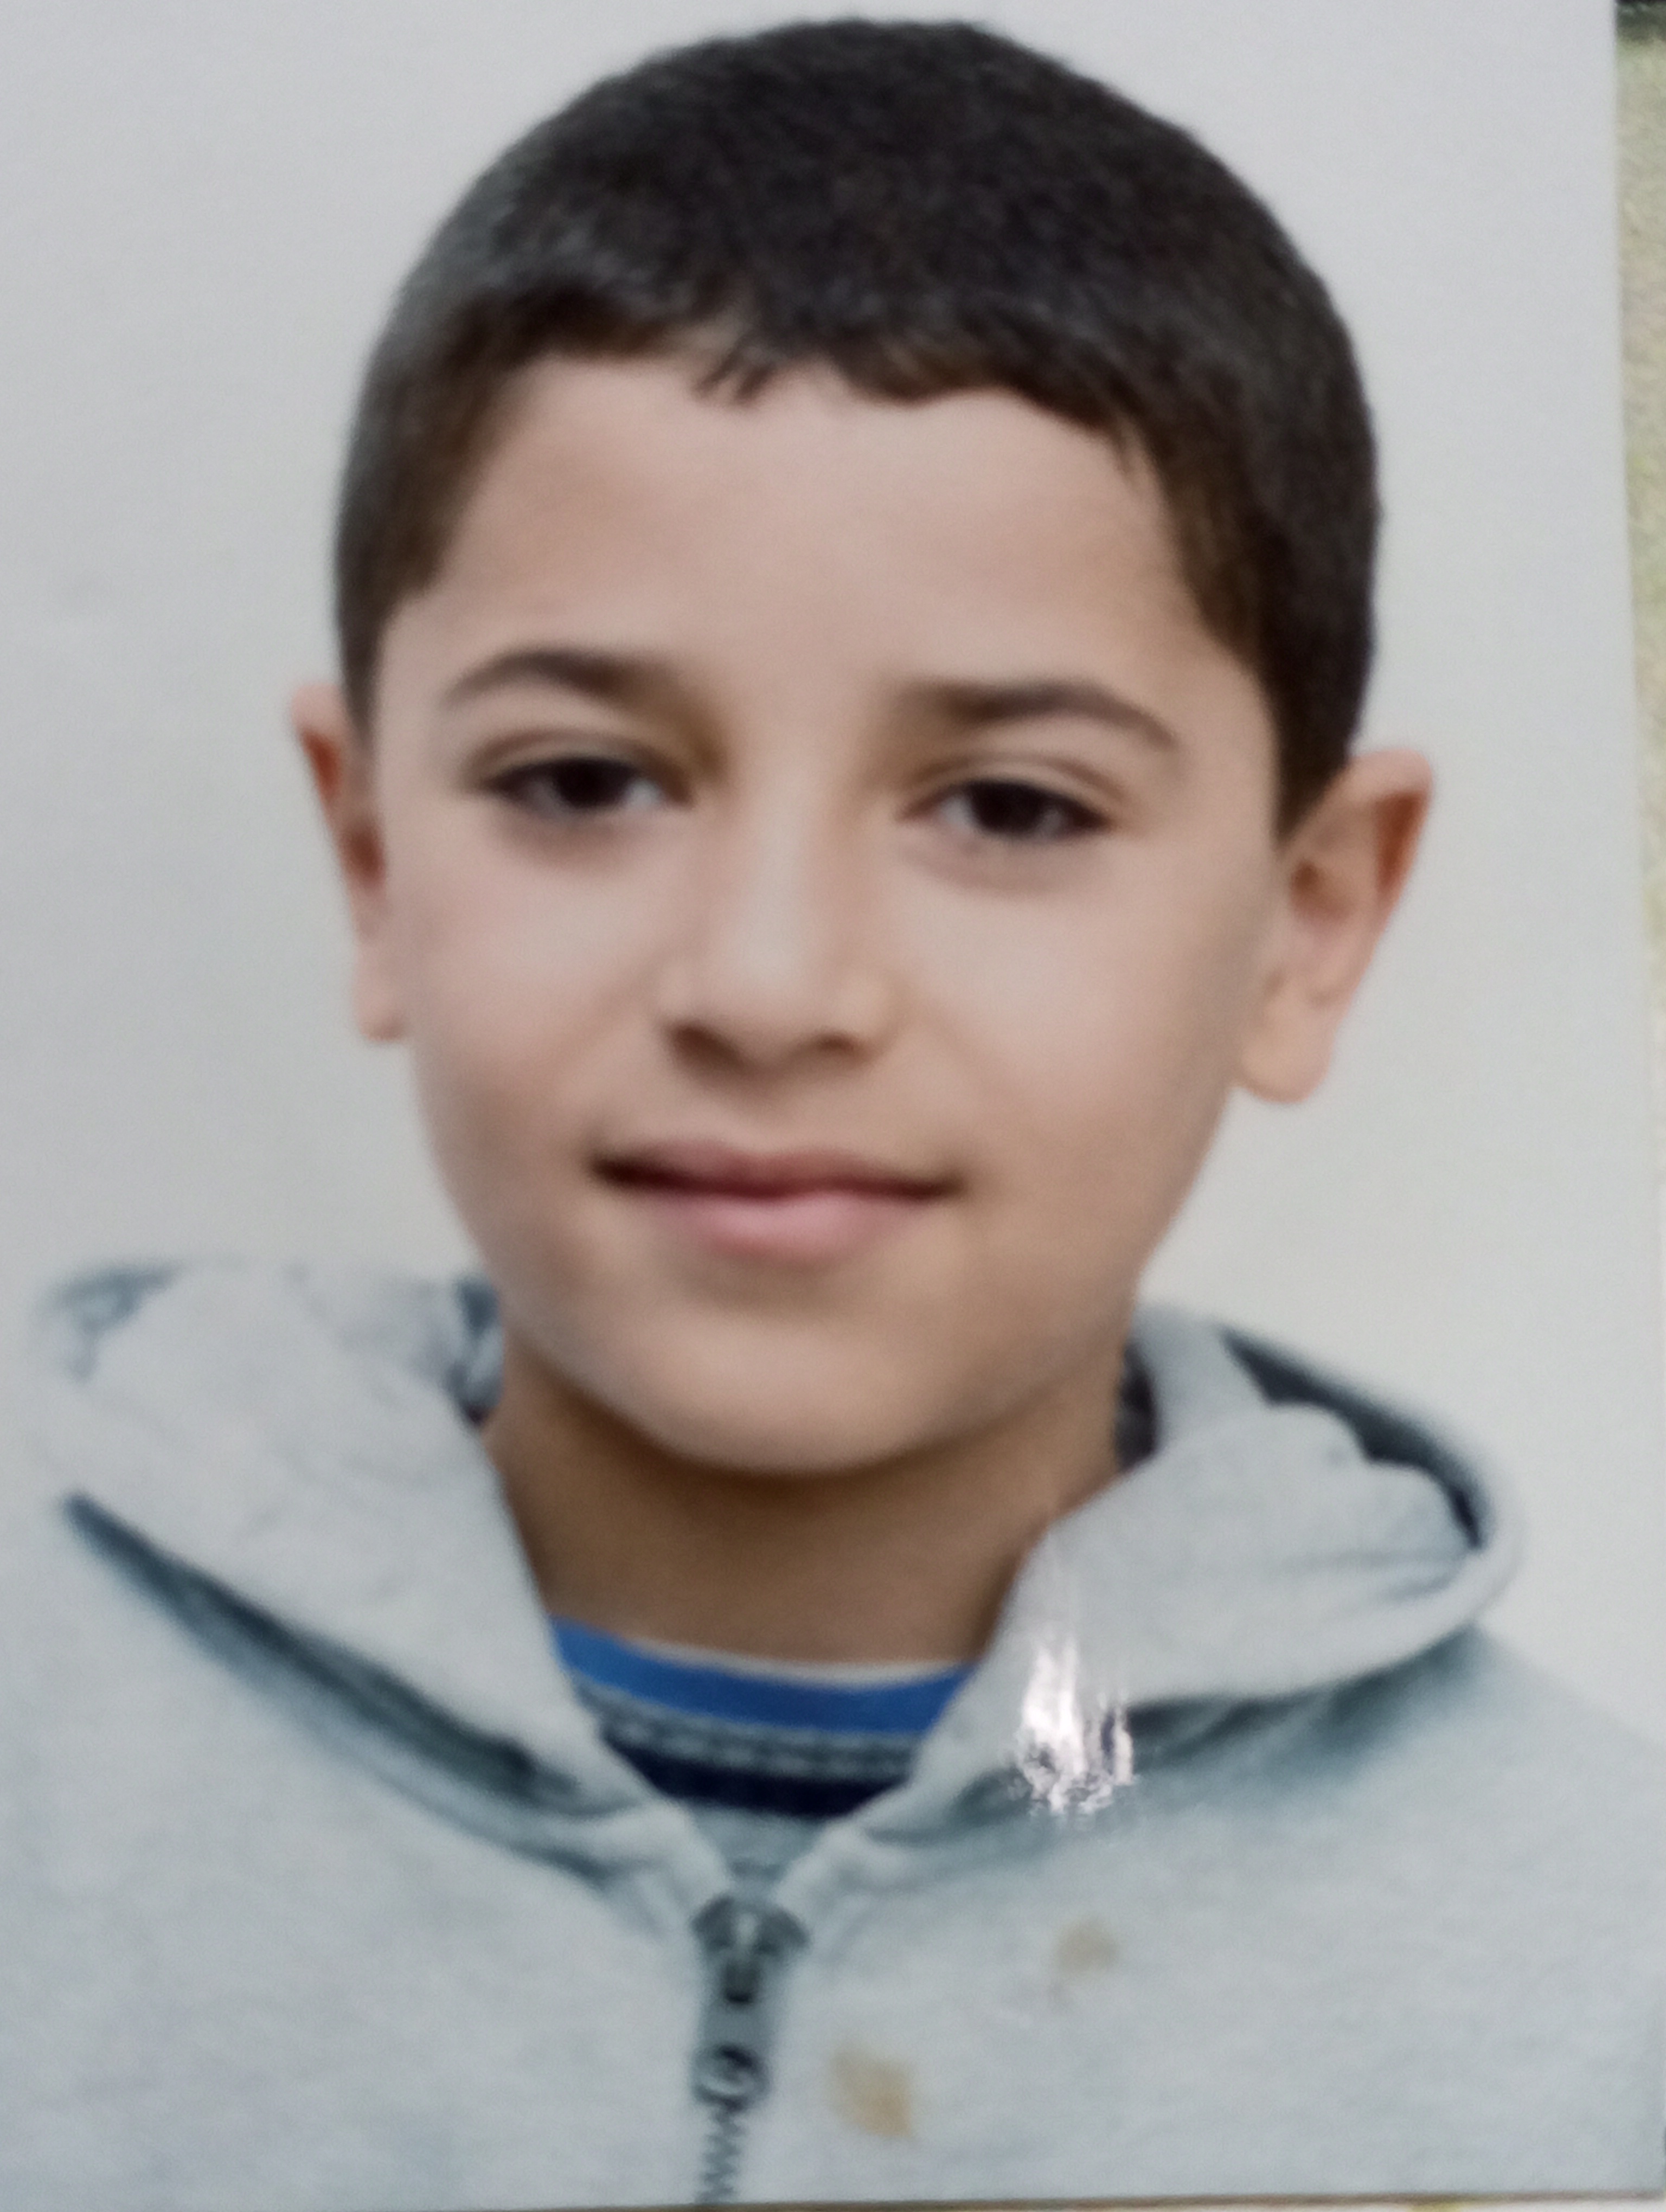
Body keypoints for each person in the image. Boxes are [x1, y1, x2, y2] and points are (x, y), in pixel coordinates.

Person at [2, 18, 1659, 2210]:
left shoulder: (1601, 1990)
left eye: (1011, 806)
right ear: (374, 859)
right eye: (583, 781)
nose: (772, 987)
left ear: (1308, 921)